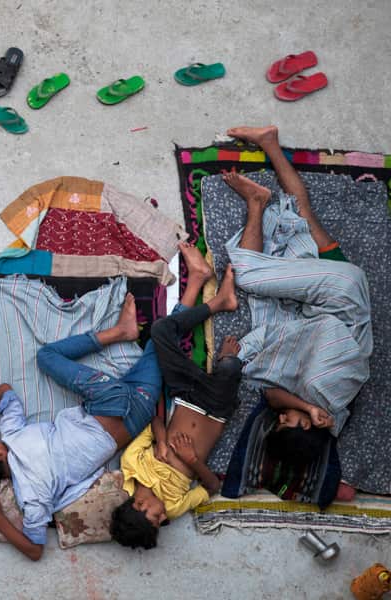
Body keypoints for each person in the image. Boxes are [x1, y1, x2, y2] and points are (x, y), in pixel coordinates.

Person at [0, 293, 162, 561]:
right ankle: (121, 332)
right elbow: (4, 391)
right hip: (109, 399)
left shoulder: (32, 496)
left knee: (162, 339)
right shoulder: (12, 436)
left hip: (137, 418)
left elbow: (35, 550)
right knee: (46, 356)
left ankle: (183, 297)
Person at [222, 125, 372, 473]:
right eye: (285, 421)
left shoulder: (323, 410)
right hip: (339, 295)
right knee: (249, 275)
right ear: (305, 426)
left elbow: (272, 396)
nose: (279, 416)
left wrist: (307, 408)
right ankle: (257, 202)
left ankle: (269, 142)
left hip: (341, 288)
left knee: (302, 214)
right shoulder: (323, 392)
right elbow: (324, 334)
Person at [111, 243, 240, 550]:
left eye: (154, 519)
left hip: (185, 396)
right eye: (160, 522)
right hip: (216, 408)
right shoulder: (174, 506)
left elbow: (155, 421)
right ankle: (224, 362)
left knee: (160, 331)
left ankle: (219, 302)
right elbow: (212, 487)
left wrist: (162, 441)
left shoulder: (131, 466)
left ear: (139, 506)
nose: (163, 519)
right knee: (231, 367)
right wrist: (193, 462)